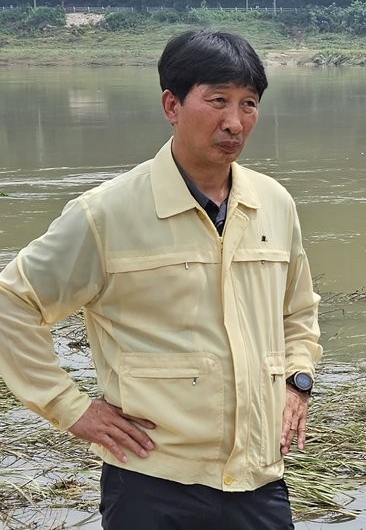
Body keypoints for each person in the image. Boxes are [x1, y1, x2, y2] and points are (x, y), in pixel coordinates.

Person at [0, 30, 322, 528]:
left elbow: (298, 309)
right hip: (152, 482)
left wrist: (298, 381)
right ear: (172, 104)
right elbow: (12, 302)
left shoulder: (273, 203)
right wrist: (72, 409)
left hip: (257, 477)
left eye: (249, 104)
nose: (235, 122)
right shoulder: (105, 213)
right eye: (217, 101)